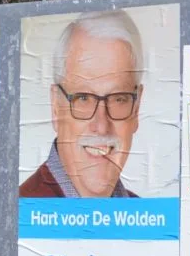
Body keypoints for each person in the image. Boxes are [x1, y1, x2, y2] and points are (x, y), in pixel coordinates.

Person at [19, 10, 143, 198]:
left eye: (119, 99)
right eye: (83, 98)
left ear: (136, 108)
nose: (101, 126)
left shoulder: (147, 219)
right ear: (55, 107)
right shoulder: (20, 214)